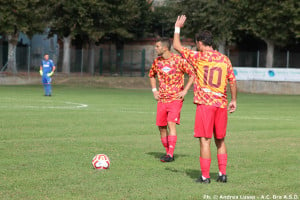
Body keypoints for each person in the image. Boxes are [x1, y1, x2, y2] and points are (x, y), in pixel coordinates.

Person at [173, 15, 237, 183]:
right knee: (220, 140)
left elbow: (176, 45)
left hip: (206, 105)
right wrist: (234, 100)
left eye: (196, 43)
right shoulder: (225, 59)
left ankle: (205, 176)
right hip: (221, 104)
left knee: (205, 140)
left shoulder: (198, 57)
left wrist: (177, 27)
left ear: (200, 43)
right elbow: (232, 80)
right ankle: (222, 175)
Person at [149, 38, 195, 162]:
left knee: (171, 124)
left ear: (165, 48)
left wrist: (185, 90)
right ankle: (168, 152)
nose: (155, 48)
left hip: (175, 99)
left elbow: (192, 74)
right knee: (161, 127)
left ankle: (170, 154)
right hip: (162, 100)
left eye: (157, 46)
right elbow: (152, 75)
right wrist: (154, 90)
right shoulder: (157, 62)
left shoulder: (179, 60)